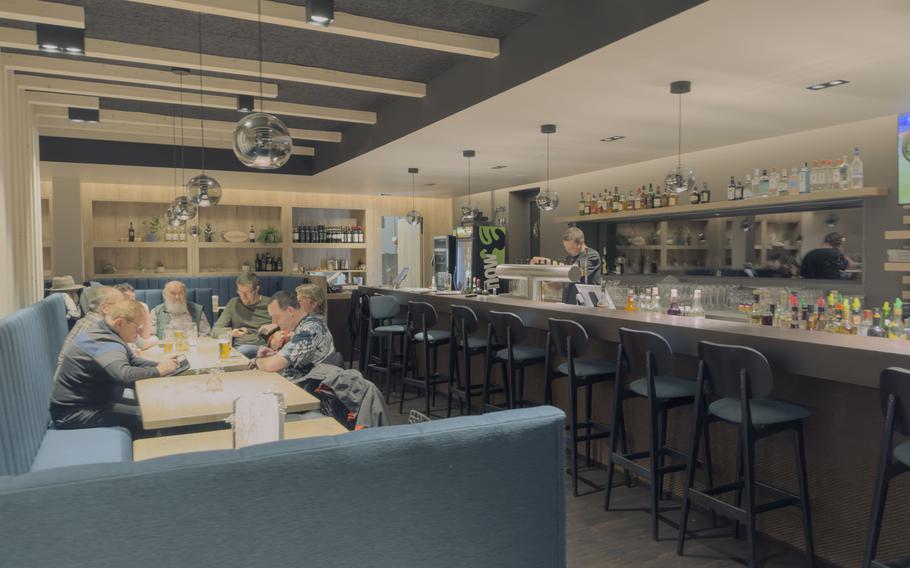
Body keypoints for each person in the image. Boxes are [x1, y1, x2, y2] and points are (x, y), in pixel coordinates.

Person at [50, 299, 180, 434]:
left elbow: (133, 361)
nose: (140, 331)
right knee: (147, 414)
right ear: (120, 322)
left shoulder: (105, 331)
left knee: (152, 404)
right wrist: (159, 370)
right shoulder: (103, 341)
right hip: (71, 414)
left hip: (94, 400)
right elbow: (123, 374)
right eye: (137, 327)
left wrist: (159, 364)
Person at [251, 288, 336, 382]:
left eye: (276, 317)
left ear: (290, 311)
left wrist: (257, 360)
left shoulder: (309, 330)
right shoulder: (307, 324)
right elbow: (298, 356)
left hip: (305, 390)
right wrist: (276, 354)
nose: (274, 322)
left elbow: (272, 365)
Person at [530, 226, 602, 304]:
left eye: (570, 248)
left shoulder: (591, 255)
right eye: (565, 247)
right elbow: (560, 284)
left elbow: (574, 271)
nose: (567, 250)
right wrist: (544, 284)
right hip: (569, 306)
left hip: (587, 308)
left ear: (581, 243)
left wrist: (545, 261)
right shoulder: (570, 257)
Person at [56, 286, 124, 368]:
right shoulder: (97, 326)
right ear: (105, 308)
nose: (124, 310)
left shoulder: (94, 320)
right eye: (121, 306)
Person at [211, 273, 273, 358]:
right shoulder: (234, 303)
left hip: (263, 347)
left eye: (247, 292)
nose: (244, 296)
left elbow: (289, 327)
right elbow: (215, 330)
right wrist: (230, 333)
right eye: (240, 292)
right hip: (238, 348)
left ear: (257, 289)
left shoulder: (271, 303)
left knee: (244, 350)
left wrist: (275, 325)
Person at [113, 282, 156, 348]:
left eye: (133, 298)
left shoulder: (140, 308)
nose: (131, 301)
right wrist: (155, 340)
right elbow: (142, 344)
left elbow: (144, 337)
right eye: (127, 298)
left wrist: (146, 315)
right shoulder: (116, 314)